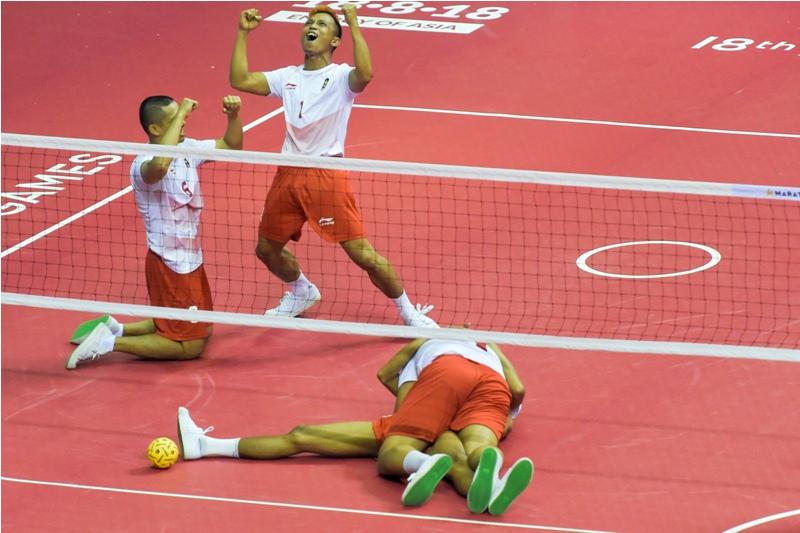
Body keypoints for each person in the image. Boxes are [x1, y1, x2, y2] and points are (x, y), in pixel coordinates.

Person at [229, 4, 437, 327]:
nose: (312, 26)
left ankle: (409, 311)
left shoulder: (340, 77)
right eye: (310, 22)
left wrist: (353, 22)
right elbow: (240, 79)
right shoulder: (288, 77)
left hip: (325, 176)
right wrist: (243, 33)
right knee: (266, 249)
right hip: (287, 173)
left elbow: (365, 74)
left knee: (362, 254)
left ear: (334, 41)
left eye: (323, 25)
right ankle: (301, 291)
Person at [176, 336, 532, 514]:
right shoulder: (492, 349)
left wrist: (420, 418)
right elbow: (516, 390)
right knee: (467, 454)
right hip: (486, 396)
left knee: (382, 450)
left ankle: (420, 464)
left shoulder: (427, 343)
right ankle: (494, 483)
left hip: (439, 385)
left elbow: (398, 396)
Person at [66, 95, 243, 369]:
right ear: (155, 130)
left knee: (203, 329)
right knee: (191, 346)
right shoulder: (143, 163)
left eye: (183, 117)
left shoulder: (188, 149)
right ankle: (109, 343)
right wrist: (184, 107)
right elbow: (160, 167)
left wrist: (233, 116)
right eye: (175, 119)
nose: (183, 121)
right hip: (170, 263)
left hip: (191, 259)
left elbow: (232, 145)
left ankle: (117, 328)